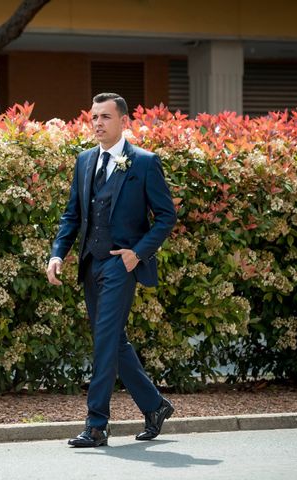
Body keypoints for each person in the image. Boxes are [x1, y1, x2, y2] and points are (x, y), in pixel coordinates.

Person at [46, 92, 177, 448]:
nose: (98, 123)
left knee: (105, 340)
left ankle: (96, 425)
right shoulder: (84, 161)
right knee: (113, 341)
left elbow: (167, 216)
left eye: (105, 117)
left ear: (123, 121)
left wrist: (138, 253)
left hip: (122, 264)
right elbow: (72, 215)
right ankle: (154, 406)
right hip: (91, 263)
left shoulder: (145, 163)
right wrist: (58, 254)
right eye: (93, 117)